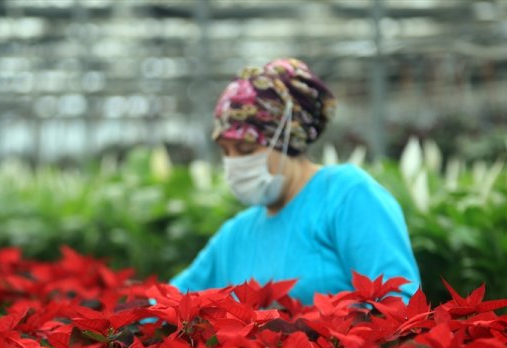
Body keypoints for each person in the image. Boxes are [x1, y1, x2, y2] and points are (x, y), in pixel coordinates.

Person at [170, 58, 420, 305]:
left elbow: (399, 304)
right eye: (225, 151)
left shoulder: (348, 196)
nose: (233, 162)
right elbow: (167, 303)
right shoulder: (236, 235)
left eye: (246, 149)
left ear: (287, 139)